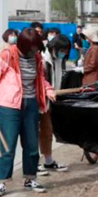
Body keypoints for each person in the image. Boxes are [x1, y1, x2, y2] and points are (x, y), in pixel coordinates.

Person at [0, 27, 56, 197]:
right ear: (23, 45)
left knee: (31, 145)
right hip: (9, 107)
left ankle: (30, 178)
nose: (35, 51)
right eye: (32, 48)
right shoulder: (8, 56)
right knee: (7, 146)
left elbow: (40, 79)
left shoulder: (36, 58)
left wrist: (48, 90)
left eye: (37, 48)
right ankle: (2, 182)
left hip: (31, 105)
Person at [37, 34, 71, 176]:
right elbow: (41, 82)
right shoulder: (43, 60)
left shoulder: (57, 60)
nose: (64, 53)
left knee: (47, 132)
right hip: (39, 102)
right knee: (35, 133)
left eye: (66, 51)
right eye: (62, 50)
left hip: (50, 101)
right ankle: (34, 164)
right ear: (54, 47)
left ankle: (48, 161)